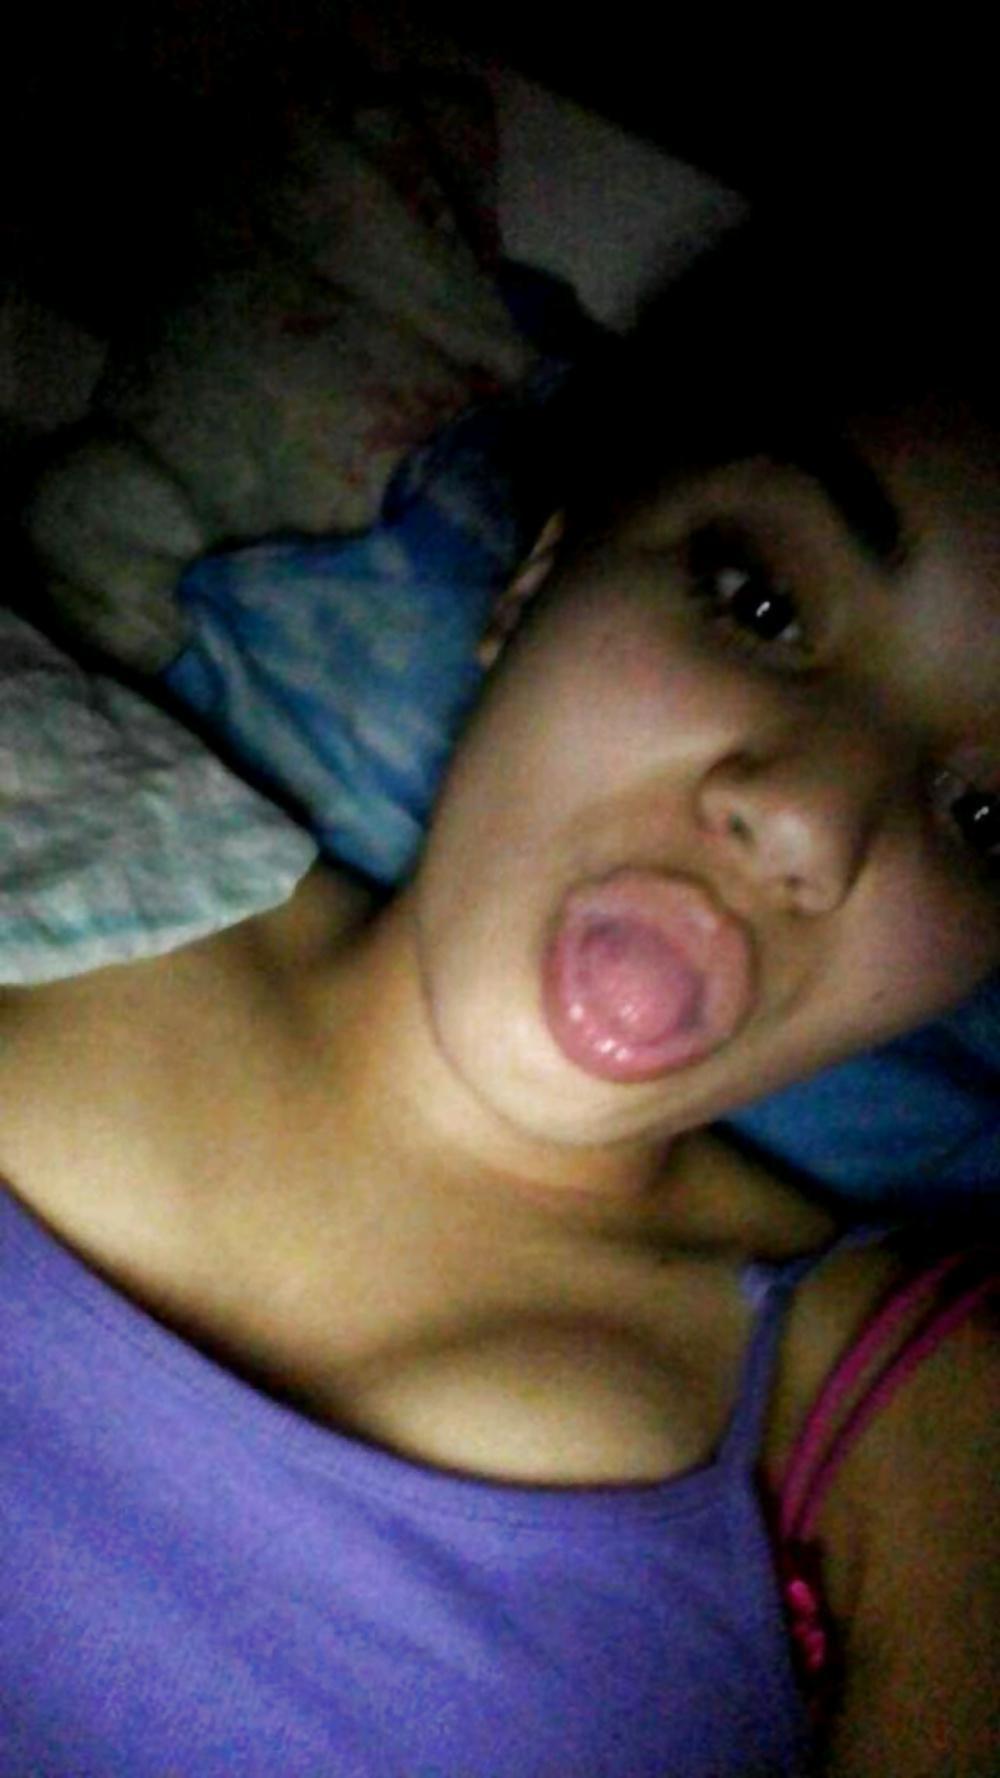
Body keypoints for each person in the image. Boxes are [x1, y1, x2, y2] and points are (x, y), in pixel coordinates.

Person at [0, 235, 997, 1775]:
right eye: (760, 603)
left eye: (990, 821)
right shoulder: (51, 815)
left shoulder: (914, 1412)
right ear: (539, 577)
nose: (808, 819)